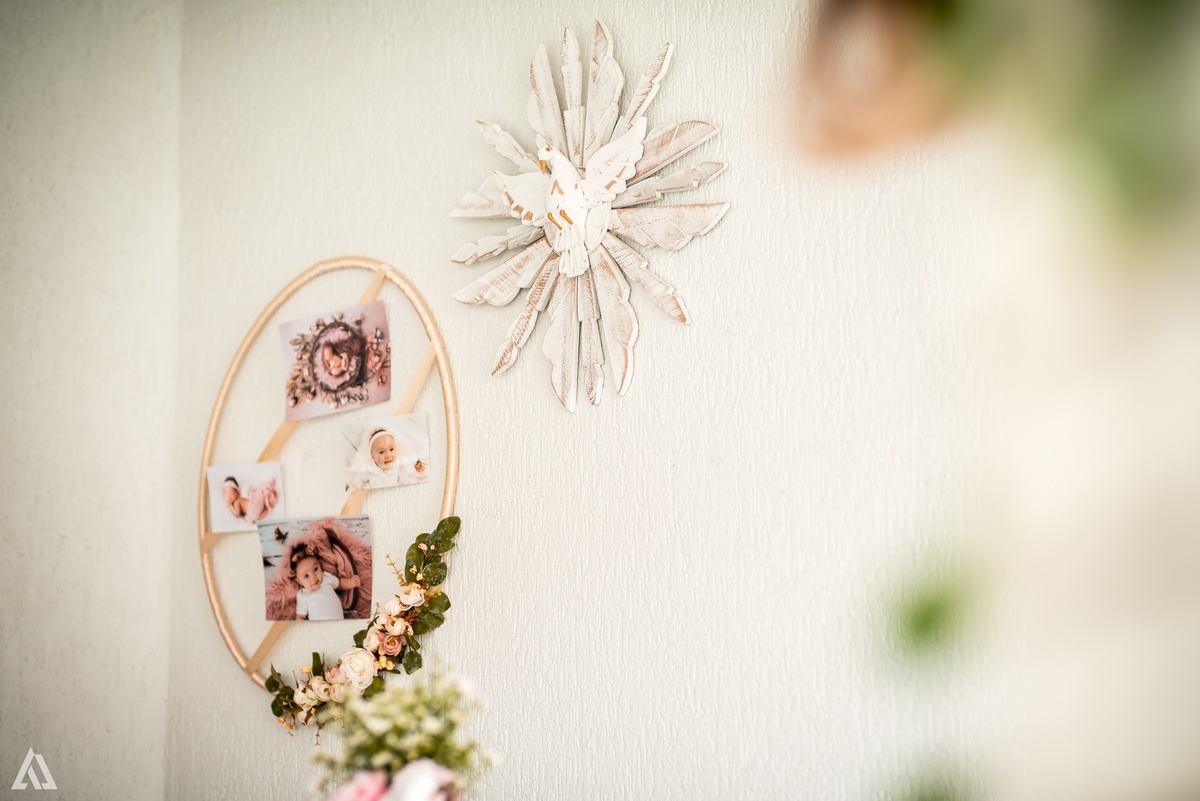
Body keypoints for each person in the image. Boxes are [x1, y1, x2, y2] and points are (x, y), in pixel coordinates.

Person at [347, 426, 426, 490]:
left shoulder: (399, 467)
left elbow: (407, 482)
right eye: (381, 452)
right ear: (372, 456)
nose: (388, 455)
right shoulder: (369, 469)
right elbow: (357, 484)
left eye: (391, 449)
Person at [290, 552, 360, 621]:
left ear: (320, 566)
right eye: (306, 576)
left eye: (315, 569)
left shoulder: (326, 577)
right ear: (299, 581)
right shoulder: (302, 595)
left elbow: (339, 584)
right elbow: (300, 616)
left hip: (339, 623)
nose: (314, 577)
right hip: (319, 628)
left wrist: (351, 582)